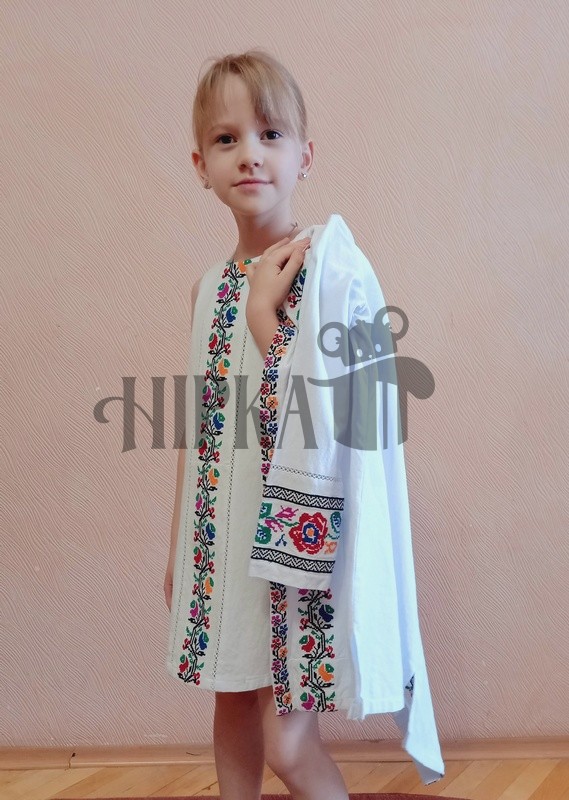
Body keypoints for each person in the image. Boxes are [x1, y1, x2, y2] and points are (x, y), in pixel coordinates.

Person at [164, 50, 350, 800]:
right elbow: (202, 426)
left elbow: (333, 412)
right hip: (221, 536)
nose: (249, 154)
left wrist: (265, 315)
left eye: (271, 134)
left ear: (304, 155)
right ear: (200, 164)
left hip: (294, 540)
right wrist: (179, 544)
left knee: (289, 742)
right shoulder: (207, 288)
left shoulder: (326, 270)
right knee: (232, 703)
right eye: (226, 138)